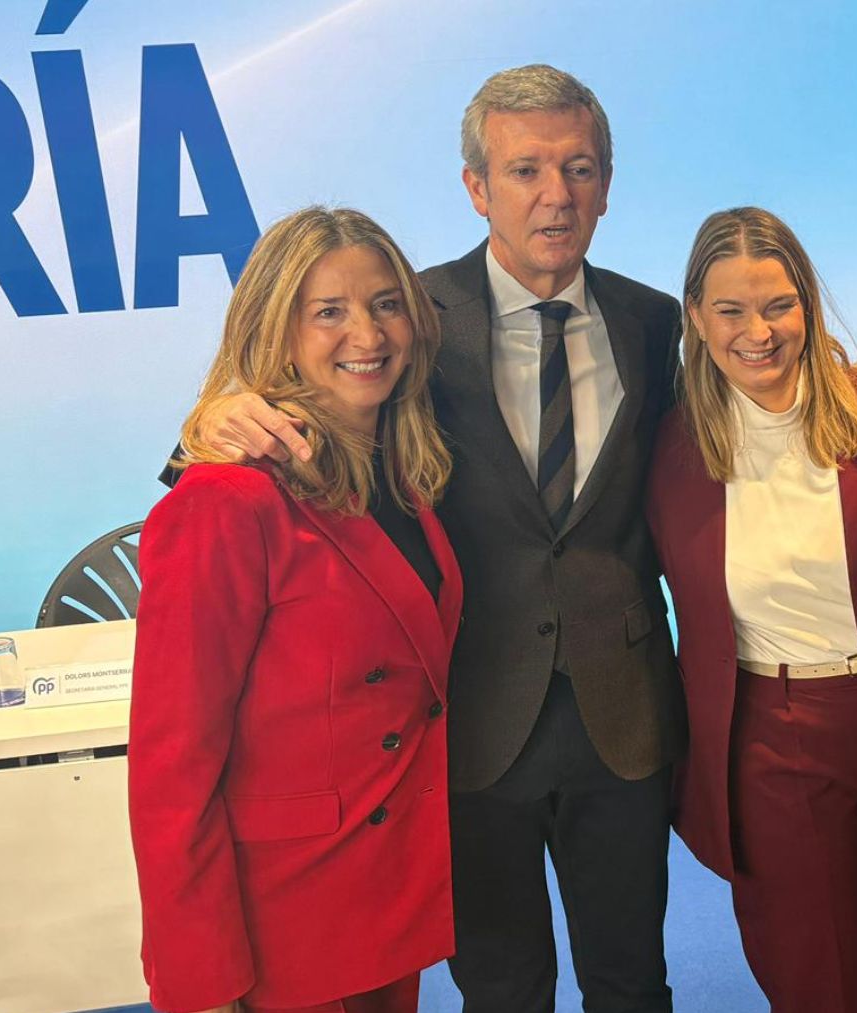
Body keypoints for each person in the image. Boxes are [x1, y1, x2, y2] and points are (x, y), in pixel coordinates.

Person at [186, 65, 684, 1011]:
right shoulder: (404, 316)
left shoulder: (653, 322)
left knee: (632, 983)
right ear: (476, 187)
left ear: (607, 186)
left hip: (624, 721)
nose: (555, 194)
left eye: (579, 168)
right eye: (525, 169)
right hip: (466, 723)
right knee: (501, 988)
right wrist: (211, 422)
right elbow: (297, 402)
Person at [129, 206, 458, 1013]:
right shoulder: (224, 501)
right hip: (286, 922)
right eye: (329, 311)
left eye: (385, 304)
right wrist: (199, 977)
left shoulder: (402, 475)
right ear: (275, 331)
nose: (366, 334)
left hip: (384, 890)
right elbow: (172, 767)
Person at [644, 208, 857, 1012]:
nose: (759, 332)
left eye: (779, 305)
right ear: (695, 316)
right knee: (822, 983)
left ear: (808, 305)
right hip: (774, 738)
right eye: (731, 310)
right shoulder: (671, 447)